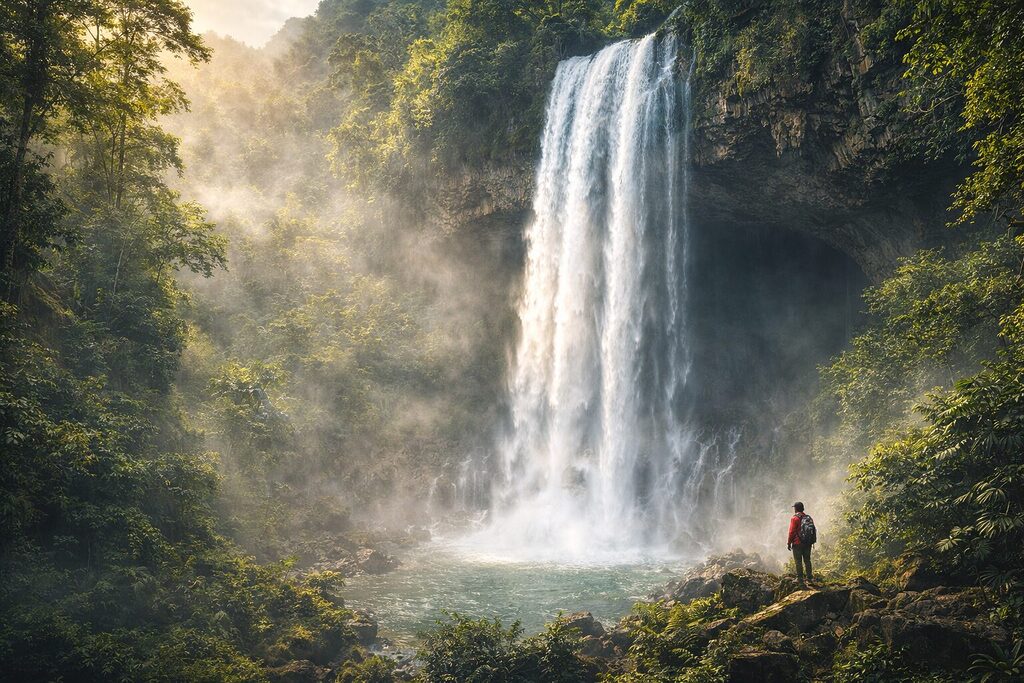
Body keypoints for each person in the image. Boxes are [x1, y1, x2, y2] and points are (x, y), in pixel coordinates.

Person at [787, 501, 815, 585]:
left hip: (797, 543)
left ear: (796, 509)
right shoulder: (808, 518)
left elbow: (791, 532)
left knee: (798, 561)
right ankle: (809, 578)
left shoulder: (794, 518)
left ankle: (800, 580)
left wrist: (789, 543)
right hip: (807, 543)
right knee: (807, 560)